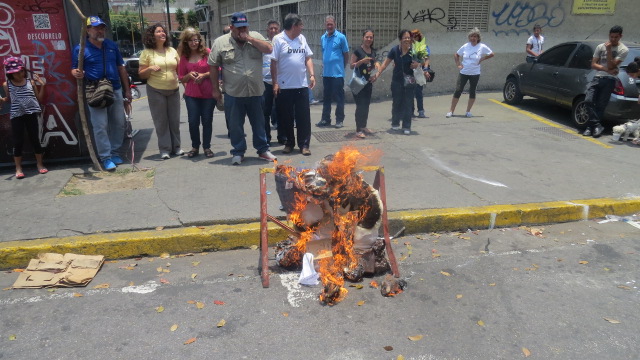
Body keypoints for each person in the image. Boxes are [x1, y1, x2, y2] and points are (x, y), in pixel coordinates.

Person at [209, 12, 276, 165]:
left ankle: (263, 150)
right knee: (235, 125)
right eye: (238, 28)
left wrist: (250, 39)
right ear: (231, 27)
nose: (242, 31)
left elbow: (269, 49)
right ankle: (238, 151)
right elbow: (213, 66)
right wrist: (215, 89)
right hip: (233, 93)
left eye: (245, 27)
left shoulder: (255, 36)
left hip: (256, 91)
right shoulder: (220, 42)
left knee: (259, 123)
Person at [72, 16, 131, 170]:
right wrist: (76, 72)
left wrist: (128, 89)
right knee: (100, 126)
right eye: (96, 27)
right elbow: (74, 68)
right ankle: (105, 157)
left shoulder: (111, 45)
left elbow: (121, 68)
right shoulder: (80, 48)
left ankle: (115, 152)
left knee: (118, 123)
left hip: (115, 88)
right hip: (94, 90)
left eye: (102, 28)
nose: (100, 30)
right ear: (87, 30)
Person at [271, 13, 315, 155]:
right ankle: (289, 143)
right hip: (284, 86)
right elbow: (273, 62)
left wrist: (312, 75)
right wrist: (275, 83)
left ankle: (304, 145)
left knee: (304, 118)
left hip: (301, 85)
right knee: (286, 117)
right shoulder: (278, 39)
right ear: (293, 26)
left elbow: (307, 57)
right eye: (300, 25)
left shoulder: (302, 39)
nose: (302, 28)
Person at [138, 23, 183, 159]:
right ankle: (165, 149)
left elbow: (179, 70)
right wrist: (150, 69)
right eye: (158, 32)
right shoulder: (146, 53)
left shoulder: (172, 50)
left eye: (163, 31)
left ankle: (177, 147)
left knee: (174, 120)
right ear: (152, 35)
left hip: (174, 89)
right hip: (156, 90)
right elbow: (141, 74)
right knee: (161, 121)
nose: (162, 33)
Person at [1, 56, 47, 179]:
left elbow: (39, 99)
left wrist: (42, 85)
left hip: (31, 114)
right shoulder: (7, 84)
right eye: (15, 73)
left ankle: (40, 164)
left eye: (20, 71)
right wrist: (1, 100)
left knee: (35, 139)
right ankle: (18, 167)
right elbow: (8, 99)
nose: (19, 75)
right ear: (11, 74)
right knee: (18, 141)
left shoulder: (30, 82)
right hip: (17, 115)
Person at [372, 29, 423, 135]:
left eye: (409, 38)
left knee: (408, 104)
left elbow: (421, 62)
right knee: (396, 103)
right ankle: (395, 123)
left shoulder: (414, 51)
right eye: (405, 38)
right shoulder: (394, 50)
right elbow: (385, 64)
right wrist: (377, 74)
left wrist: (417, 64)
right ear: (400, 39)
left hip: (409, 82)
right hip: (397, 81)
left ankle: (406, 126)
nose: (407, 40)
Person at [583, 25, 628, 138]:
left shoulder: (623, 49)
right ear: (609, 35)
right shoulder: (600, 46)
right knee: (588, 100)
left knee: (600, 105)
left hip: (610, 80)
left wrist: (608, 51)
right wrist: (606, 69)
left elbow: (612, 64)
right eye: (611, 36)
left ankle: (590, 127)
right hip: (597, 77)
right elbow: (593, 64)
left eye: (616, 37)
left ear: (620, 36)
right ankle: (597, 124)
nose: (613, 39)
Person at [178, 27, 216, 158]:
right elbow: (181, 77)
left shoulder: (207, 52)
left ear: (200, 40)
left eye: (196, 40)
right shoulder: (184, 57)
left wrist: (204, 75)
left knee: (207, 120)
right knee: (193, 121)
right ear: (186, 43)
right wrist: (189, 75)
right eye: (190, 41)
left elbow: (217, 70)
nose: (194, 43)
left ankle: (207, 147)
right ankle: (195, 146)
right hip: (191, 94)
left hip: (208, 93)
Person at [446, 27, 494, 118]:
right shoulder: (466, 46)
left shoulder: (482, 46)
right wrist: (458, 64)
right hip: (464, 71)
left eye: (475, 36)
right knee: (458, 90)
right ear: (469, 37)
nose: (473, 38)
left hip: (475, 73)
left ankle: (468, 111)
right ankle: (451, 111)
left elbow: (491, 54)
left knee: (472, 91)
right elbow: (456, 54)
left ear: (478, 38)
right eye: (471, 36)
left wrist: (483, 58)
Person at [316, 15, 348, 128]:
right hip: (326, 74)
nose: (329, 26)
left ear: (335, 24)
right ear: (325, 25)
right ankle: (325, 119)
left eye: (331, 24)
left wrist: (341, 67)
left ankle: (339, 120)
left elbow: (346, 54)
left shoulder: (341, 37)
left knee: (339, 98)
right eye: (327, 24)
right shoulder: (323, 38)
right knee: (326, 98)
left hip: (337, 74)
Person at [349, 28, 380, 138]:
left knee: (366, 105)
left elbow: (376, 64)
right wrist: (361, 61)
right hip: (358, 82)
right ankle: (358, 129)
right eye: (367, 37)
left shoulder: (373, 51)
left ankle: (364, 126)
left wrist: (376, 72)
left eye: (371, 37)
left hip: (368, 82)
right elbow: (351, 65)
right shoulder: (358, 51)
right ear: (363, 38)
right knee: (360, 106)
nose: (369, 39)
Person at [262, 20, 284, 145]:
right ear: (267, 30)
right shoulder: (262, 44)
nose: (273, 30)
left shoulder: (282, 43)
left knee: (282, 111)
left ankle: (282, 137)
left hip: (280, 82)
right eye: (271, 28)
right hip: (265, 83)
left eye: (276, 28)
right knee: (265, 112)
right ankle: (267, 138)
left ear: (279, 30)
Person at [411, 29, 428, 119]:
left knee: (418, 93)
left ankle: (421, 111)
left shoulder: (422, 46)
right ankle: (411, 111)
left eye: (415, 36)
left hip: (418, 71)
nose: (414, 38)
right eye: (412, 36)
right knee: (410, 92)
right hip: (409, 72)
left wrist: (424, 68)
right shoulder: (408, 46)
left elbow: (425, 59)